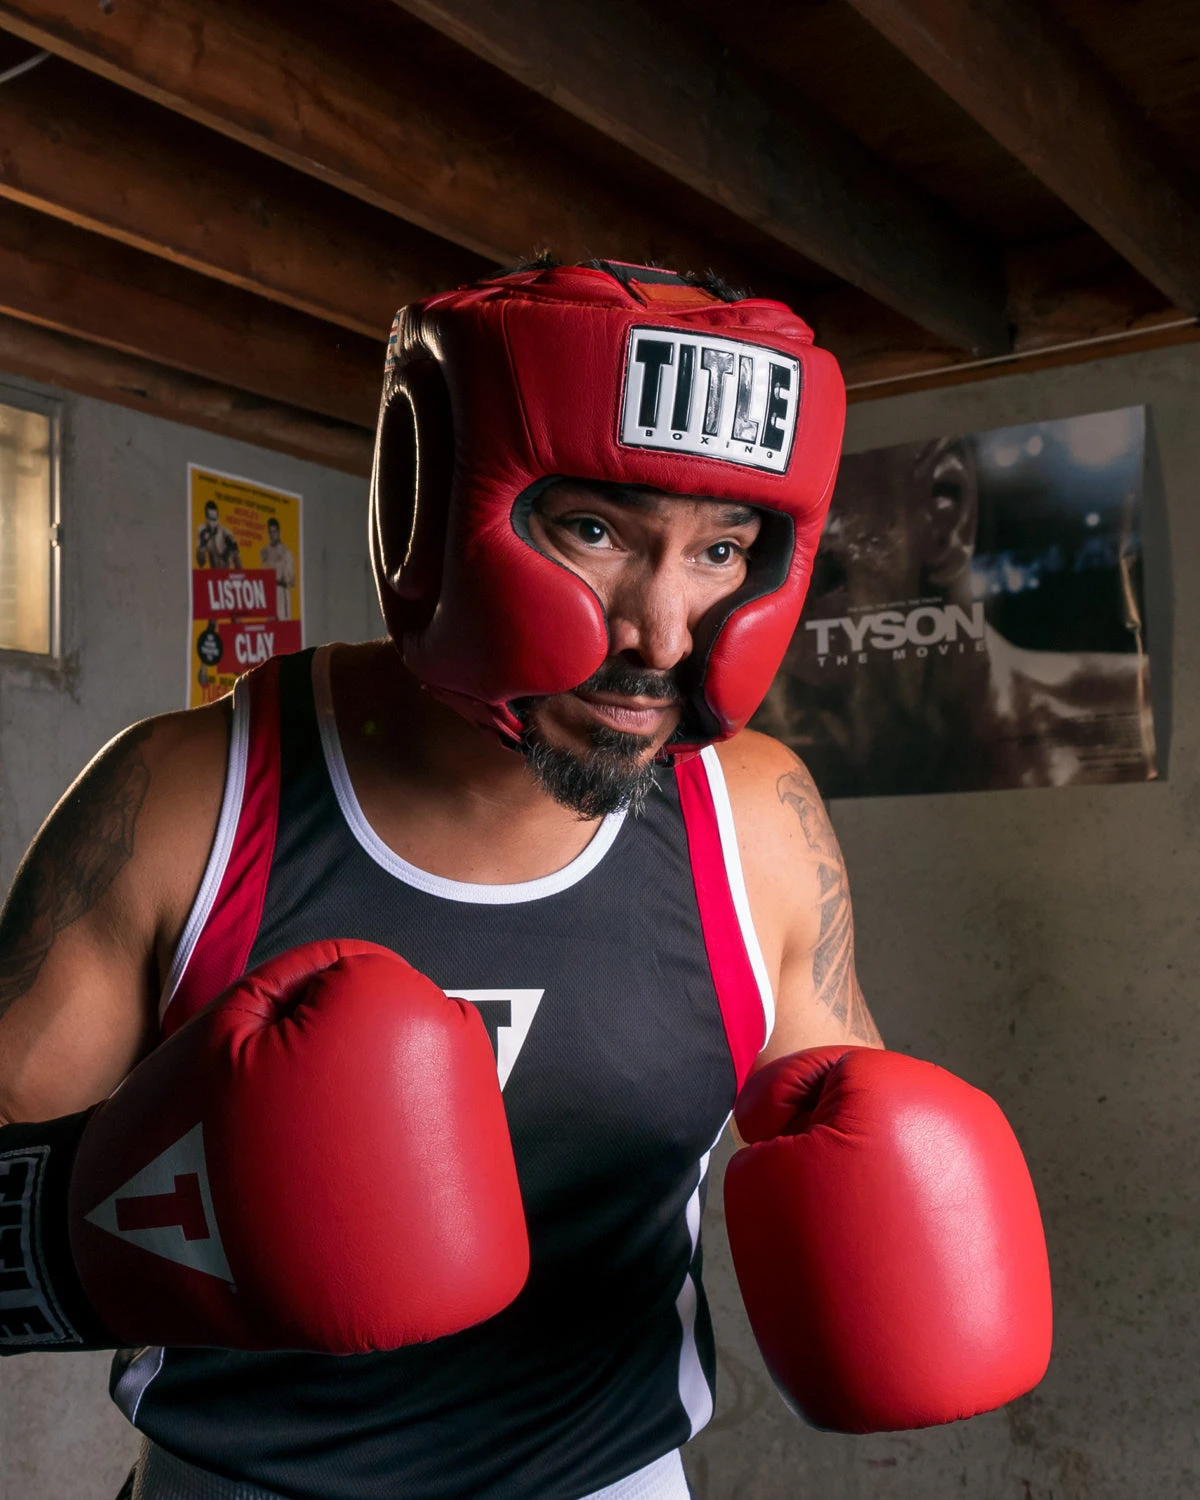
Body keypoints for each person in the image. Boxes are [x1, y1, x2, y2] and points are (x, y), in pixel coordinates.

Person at [0, 261, 1050, 1500]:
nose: (662, 635)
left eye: (722, 550)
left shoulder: (755, 817)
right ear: (433, 510)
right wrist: (105, 1235)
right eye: (595, 531)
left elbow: (838, 1133)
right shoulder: (189, 799)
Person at [755, 435, 1155, 794]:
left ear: (944, 516)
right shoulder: (747, 754)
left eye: (825, 578)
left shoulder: (1133, 715)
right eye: (753, 594)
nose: (788, 657)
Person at [259, 517, 295, 619]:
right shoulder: (265, 551)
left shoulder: (285, 551)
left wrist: (284, 575)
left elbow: (291, 581)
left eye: (274, 532)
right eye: (270, 532)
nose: (272, 535)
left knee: (283, 625)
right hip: (269, 592)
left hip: (281, 590)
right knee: (271, 626)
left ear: (278, 532)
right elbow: (263, 573)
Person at [195, 500, 242, 570]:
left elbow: (239, 566)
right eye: (211, 519)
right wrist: (202, 544)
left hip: (226, 572)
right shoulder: (202, 530)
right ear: (206, 518)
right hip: (213, 574)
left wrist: (233, 551)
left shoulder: (225, 533)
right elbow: (201, 563)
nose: (214, 522)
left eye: (216, 519)